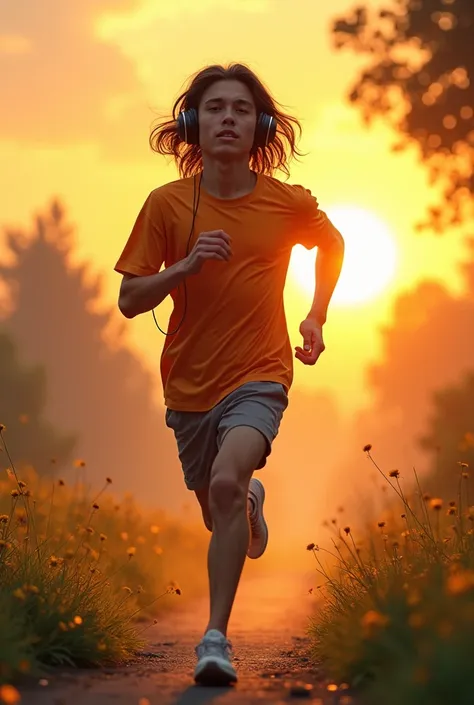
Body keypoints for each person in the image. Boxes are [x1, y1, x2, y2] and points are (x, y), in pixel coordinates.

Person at [114, 62, 344, 687]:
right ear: (192, 123)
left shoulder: (286, 202)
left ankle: (214, 639)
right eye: (215, 108)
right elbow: (131, 299)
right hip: (188, 385)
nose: (228, 119)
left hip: (260, 372)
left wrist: (316, 317)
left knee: (223, 482)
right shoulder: (165, 206)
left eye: (242, 109)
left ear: (260, 125)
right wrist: (184, 268)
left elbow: (333, 244)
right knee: (221, 507)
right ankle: (245, 501)